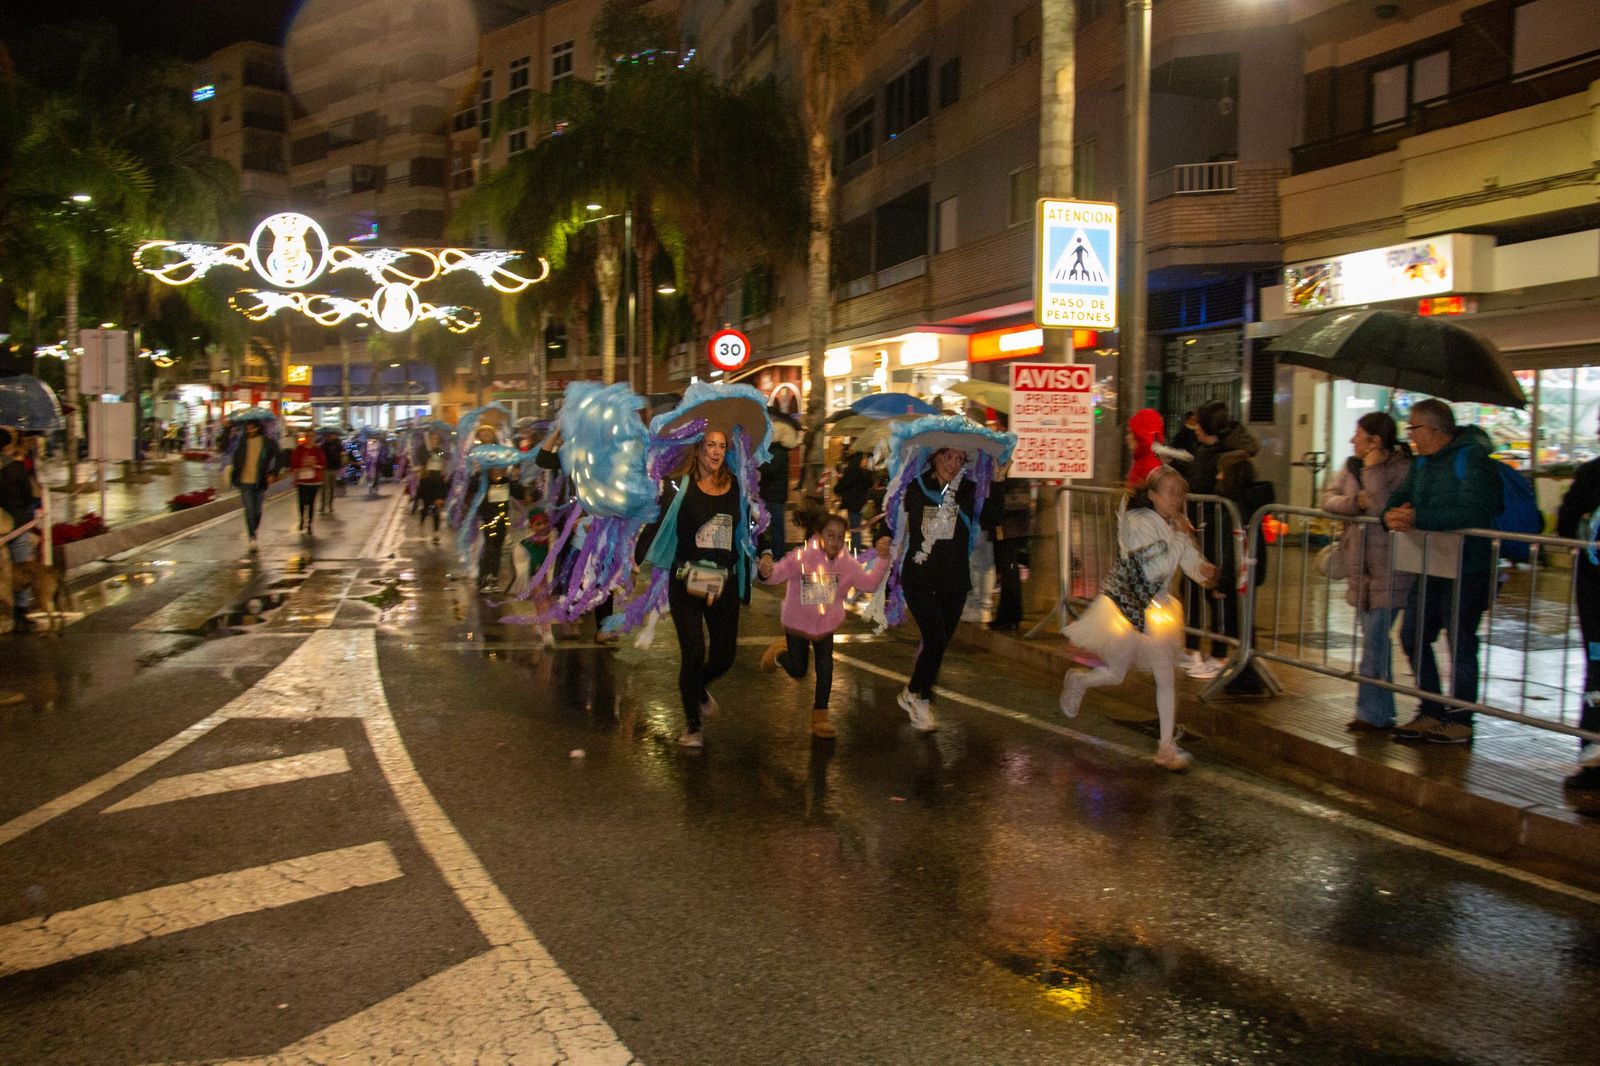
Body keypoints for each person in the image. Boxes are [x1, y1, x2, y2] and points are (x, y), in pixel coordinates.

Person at [1060, 465, 1220, 770]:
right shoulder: (1138, 522)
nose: (1177, 498)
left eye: (1180, 493)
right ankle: (1078, 682)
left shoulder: (1175, 524)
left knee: (1165, 676)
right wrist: (1179, 536)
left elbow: (1187, 561)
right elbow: (1154, 568)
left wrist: (1204, 571)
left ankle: (1165, 747)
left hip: (1159, 611)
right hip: (1126, 607)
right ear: (1153, 495)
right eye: (1170, 492)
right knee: (1116, 674)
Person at [1382, 398, 1502, 745]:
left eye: (1414, 428)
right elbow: (1400, 497)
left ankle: (1461, 718)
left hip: (1468, 566)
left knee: (1461, 640)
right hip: (1429, 562)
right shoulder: (1421, 464)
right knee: (1412, 635)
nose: (1411, 436)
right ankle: (1431, 708)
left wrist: (1419, 518)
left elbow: (1475, 510)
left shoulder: (1473, 459)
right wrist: (1389, 516)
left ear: (1434, 430)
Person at [645, 430, 748, 748]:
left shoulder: (736, 486)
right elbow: (657, 523)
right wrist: (635, 559)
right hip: (686, 580)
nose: (716, 452)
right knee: (693, 653)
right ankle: (692, 725)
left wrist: (767, 553)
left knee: (724, 656)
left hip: (723, 582)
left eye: (721, 446)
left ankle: (697, 688)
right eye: (710, 446)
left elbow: (746, 527)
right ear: (697, 450)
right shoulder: (679, 486)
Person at [758, 505, 892, 737]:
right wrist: (766, 570)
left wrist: (882, 558)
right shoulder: (802, 557)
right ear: (819, 535)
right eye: (830, 535)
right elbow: (775, 575)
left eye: (841, 537)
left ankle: (821, 717)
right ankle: (780, 654)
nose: (836, 541)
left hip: (825, 626)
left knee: (825, 666)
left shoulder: (847, 564)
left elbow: (869, 584)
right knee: (799, 670)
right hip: (797, 624)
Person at [1321, 412, 1414, 731]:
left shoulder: (1401, 468)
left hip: (1391, 566)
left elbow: (1382, 507)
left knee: (1376, 637)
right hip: (1359, 566)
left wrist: (1373, 470)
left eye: (1358, 434)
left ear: (1375, 441)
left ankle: (1370, 713)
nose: (1352, 440)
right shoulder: (1350, 466)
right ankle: (1380, 710)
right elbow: (1329, 500)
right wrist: (1353, 502)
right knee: (1373, 639)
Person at [897, 446, 981, 732]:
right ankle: (920, 699)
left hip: (954, 579)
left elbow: (992, 515)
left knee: (940, 644)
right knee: (934, 640)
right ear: (935, 457)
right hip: (919, 578)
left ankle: (912, 692)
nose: (953, 463)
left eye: (959, 458)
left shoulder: (968, 489)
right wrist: (885, 540)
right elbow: (896, 521)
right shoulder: (916, 487)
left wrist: (1001, 482)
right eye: (947, 457)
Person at [1553, 415, 1600, 792]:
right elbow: (1566, 524)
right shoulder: (1590, 474)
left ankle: (1593, 753)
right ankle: (1592, 753)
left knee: (1598, 669)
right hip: (1594, 590)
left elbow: (1567, 523)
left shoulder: (1591, 474)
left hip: (1594, 589)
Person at [980, 465, 1034, 632]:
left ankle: (1009, 616)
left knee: (1008, 566)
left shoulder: (1008, 462)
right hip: (1011, 515)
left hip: (1007, 516)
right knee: (1008, 566)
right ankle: (1009, 615)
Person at [0, 428, 40, 632]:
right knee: (21, 566)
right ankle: (20, 611)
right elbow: (28, 496)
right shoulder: (15, 468)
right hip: (17, 523)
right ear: (7, 445)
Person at [229, 420, 281, 551]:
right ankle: (252, 537)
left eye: (252, 428)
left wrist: (273, 473)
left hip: (260, 482)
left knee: (257, 511)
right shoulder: (242, 443)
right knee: (249, 510)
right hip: (244, 482)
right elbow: (236, 459)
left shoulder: (267, 443)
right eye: (247, 428)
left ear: (258, 428)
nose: (249, 431)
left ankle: (254, 529)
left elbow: (280, 457)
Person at [288, 433, 326, 535]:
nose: (310, 439)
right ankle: (301, 519)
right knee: (301, 501)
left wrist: (314, 465)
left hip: (314, 480)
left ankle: (310, 523)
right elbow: (294, 463)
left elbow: (322, 463)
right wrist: (300, 467)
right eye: (308, 437)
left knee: (311, 502)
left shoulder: (318, 450)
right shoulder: (299, 450)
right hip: (302, 479)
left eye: (312, 437)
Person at [835, 451, 873, 551]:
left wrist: (837, 488)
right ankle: (856, 547)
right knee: (856, 526)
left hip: (852, 502)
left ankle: (856, 549)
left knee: (855, 527)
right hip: (860, 502)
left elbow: (845, 483)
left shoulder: (851, 469)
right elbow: (869, 483)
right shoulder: (864, 470)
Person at [416, 435, 449, 542]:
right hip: (427, 480)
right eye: (433, 439)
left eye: (437, 439)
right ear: (428, 440)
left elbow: (446, 457)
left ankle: (436, 532)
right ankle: (421, 524)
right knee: (427, 507)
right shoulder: (424, 451)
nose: (435, 441)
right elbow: (420, 460)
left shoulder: (440, 451)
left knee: (436, 506)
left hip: (438, 480)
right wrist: (428, 453)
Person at [318, 431, 343, 514]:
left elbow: (342, 452)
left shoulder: (338, 444)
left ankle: (330, 505)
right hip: (326, 469)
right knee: (326, 488)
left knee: (331, 488)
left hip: (334, 469)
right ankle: (323, 506)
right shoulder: (324, 445)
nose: (333, 436)